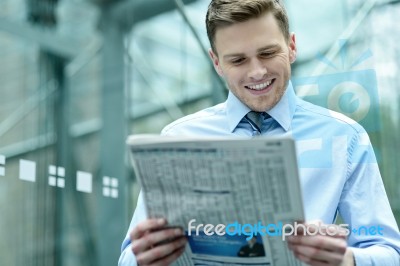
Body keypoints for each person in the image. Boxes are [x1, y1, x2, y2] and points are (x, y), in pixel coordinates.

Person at [118, 0, 400, 265]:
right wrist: (143, 258)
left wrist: (346, 260)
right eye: (238, 60)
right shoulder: (177, 139)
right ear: (216, 62)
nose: (257, 72)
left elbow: (389, 252)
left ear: (291, 46)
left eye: (267, 53)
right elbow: (128, 256)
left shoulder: (345, 137)